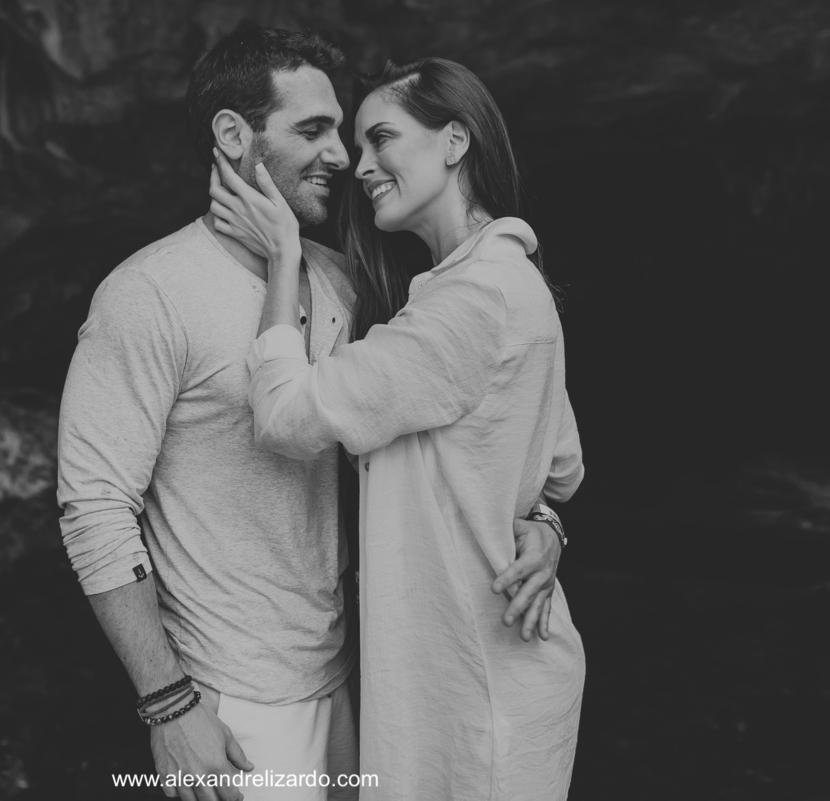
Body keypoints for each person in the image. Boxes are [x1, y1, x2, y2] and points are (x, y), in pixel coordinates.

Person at [59, 26, 565, 800]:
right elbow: (94, 507)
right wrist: (169, 703)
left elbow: (487, 405)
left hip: (351, 684)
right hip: (231, 698)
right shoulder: (147, 293)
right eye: (314, 130)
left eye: (354, 134)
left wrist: (540, 513)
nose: (342, 159)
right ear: (234, 135)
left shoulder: (347, 283)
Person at [209, 58, 586, 800]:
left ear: (454, 141)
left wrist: (284, 255)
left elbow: (285, 418)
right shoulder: (492, 281)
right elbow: (562, 462)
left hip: (478, 695)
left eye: (382, 138)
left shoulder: (472, 300)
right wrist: (543, 518)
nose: (362, 164)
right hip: (476, 671)